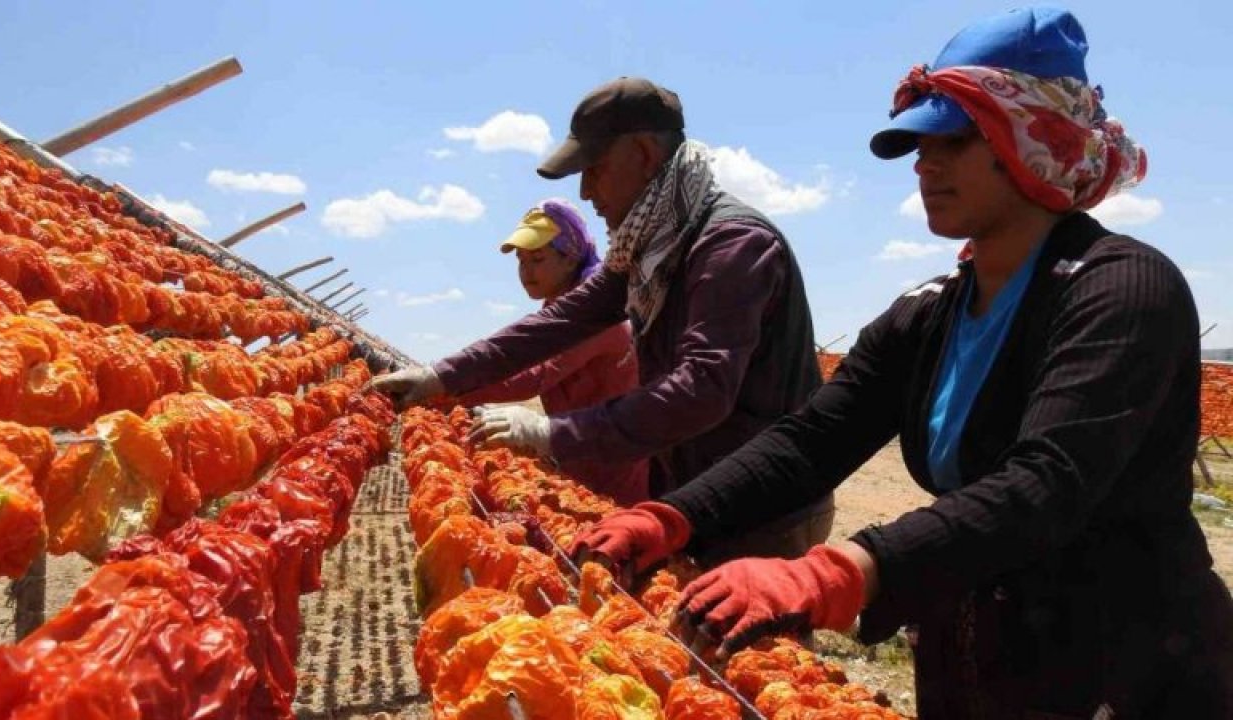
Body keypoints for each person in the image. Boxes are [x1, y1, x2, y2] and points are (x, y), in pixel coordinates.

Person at [570, 7, 1233, 718]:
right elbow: (812, 440)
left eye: (954, 138)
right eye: (919, 143)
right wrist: (671, 518)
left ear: (1030, 143)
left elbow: (1048, 481)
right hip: (979, 661)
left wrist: (844, 569)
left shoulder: (1123, 288)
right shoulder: (931, 311)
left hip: (1125, 671)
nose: (925, 162)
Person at [371, 76, 834, 562]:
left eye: (594, 168)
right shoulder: (649, 250)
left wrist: (550, 434)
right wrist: (440, 375)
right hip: (697, 491)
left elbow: (703, 389)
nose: (587, 191)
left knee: (740, 631)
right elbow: (558, 323)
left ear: (644, 153)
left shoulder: (732, 246)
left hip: (762, 508)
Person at [453, 198, 648, 505]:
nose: (526, 271)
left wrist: (447, 389)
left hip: (614, 470)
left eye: (537, 259)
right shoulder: (559, 305)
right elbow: (512, 348)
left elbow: (533, 373)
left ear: (570, 258)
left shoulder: (594, 311)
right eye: (521, 260)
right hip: (580, 460)